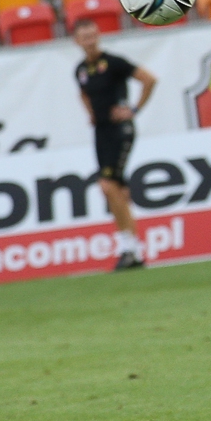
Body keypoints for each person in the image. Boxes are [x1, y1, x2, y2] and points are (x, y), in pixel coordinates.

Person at [73, 19, 157, 270]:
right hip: (101, 132)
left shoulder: (113, 63)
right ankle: (132, 250)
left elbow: (149, 79)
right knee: (115, 191)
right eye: (85, 37)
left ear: (99, 36)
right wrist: (90, 113)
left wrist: (134, 109)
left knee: (108, 185)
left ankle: (128, 247)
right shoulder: (81, 70)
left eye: (92, 36)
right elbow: (83, 92)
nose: (90, 41)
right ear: (77, 41)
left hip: (119, 129)